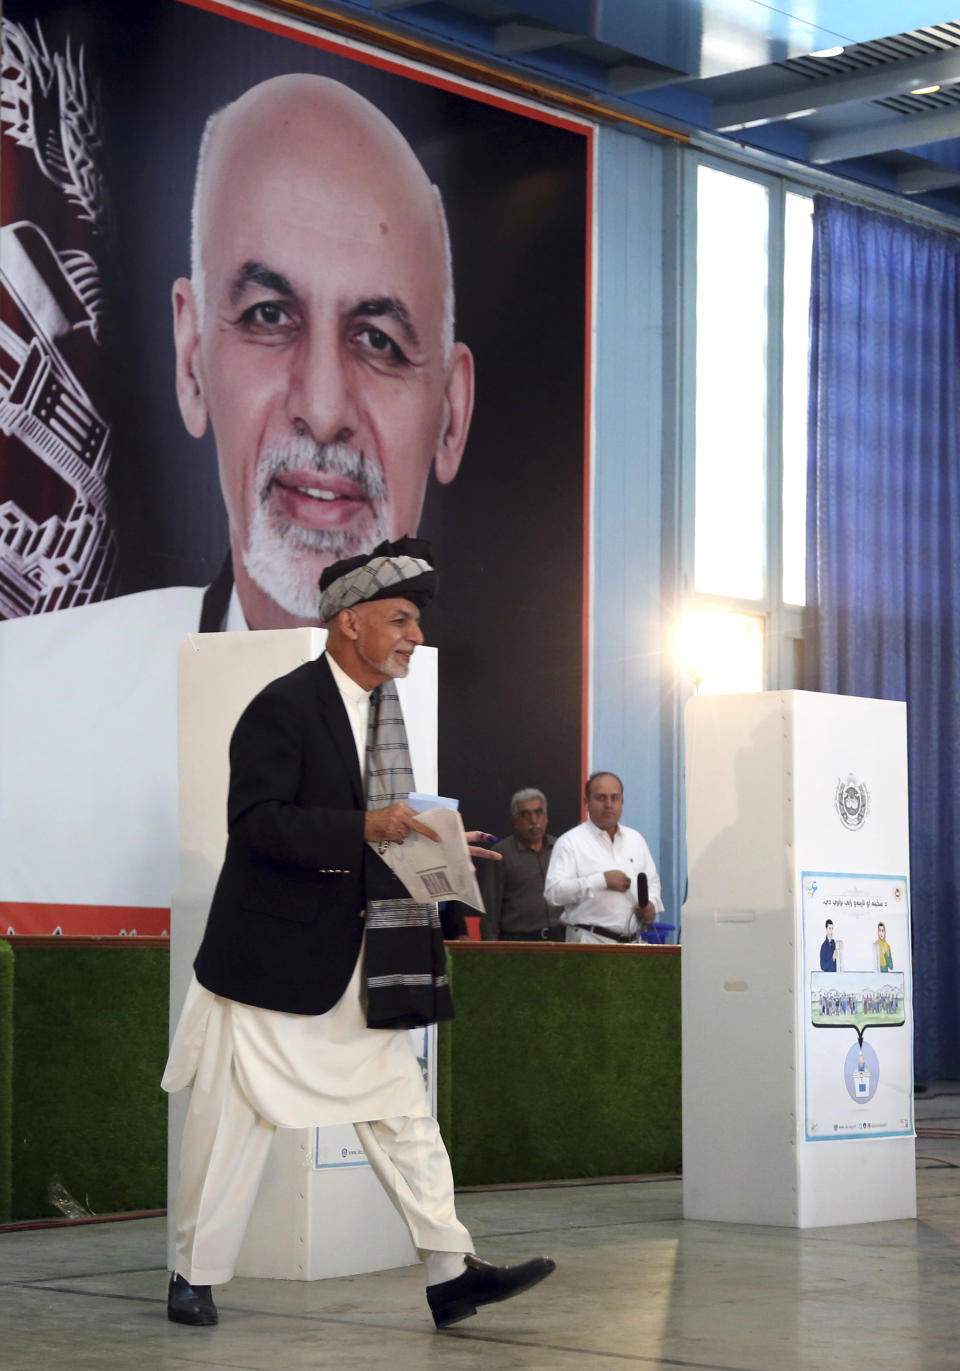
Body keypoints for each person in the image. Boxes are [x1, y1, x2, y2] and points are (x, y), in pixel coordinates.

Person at [0, 74, 475, 927]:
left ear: (451, 415)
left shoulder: (422, 737)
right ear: (190, 362)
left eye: (377, 339)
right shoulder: (20, 718)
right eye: (267, 315)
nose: (323, 407)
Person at [162, 538, 554, 1330]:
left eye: (417, 622)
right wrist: (369, 824)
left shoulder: (385, 711)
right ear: (348, 624)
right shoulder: (284, 704)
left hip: (358, 958)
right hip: (271, 961)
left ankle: (450, 1272)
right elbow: (259, 824)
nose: (414, 635)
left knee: (402, 1110)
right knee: (234, 1119)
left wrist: (440, 846)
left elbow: (380, 830)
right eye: (400, 618)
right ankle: (191, 1275)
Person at [545, 771, 663, 944]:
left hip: (633, 943)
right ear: (587, 802)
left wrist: (651, 905)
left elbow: (652, 882)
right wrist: (601, 881)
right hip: (589, 941)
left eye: (614, 798)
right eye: (601, 798)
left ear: (622, 802)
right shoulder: (570, 842)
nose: (608, 805)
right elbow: (553, 893)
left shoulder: (636, 839)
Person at [479, 788, 564, 940]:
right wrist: (489, 953)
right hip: (519, 942)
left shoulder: (560, 848)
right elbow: (490, 908)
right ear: (515, 821)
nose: (533, 820)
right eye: (526, 814)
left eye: (538, 812)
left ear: (546, 816)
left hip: (561, 939)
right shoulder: (501, 853)